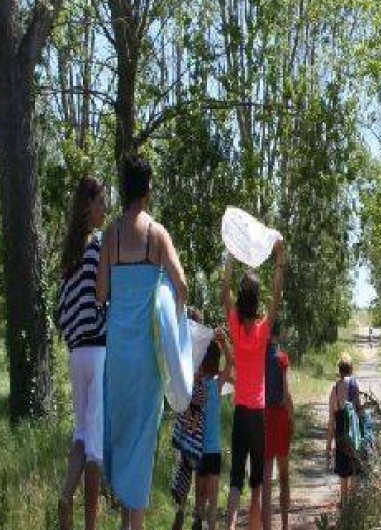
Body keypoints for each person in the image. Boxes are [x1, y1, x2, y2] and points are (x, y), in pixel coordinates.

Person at [96, 155, 188, 530]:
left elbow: (101, 293)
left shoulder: (110, 236)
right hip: (148, 360)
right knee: (141, 447)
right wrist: (167, 303)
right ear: (147, 188)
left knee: (120, 441)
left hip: (118, 356)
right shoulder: (157, 235)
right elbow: (182, 286)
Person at [220, 239, 285, 530]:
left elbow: (224, 292)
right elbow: (277, 296)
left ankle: (229, 526)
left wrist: (231, 259)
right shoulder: (262, 330)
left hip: (240, 414)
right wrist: (279, 258)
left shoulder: (234, 324)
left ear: (241, 301)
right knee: (257, 484)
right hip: (258, 414)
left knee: (236, 481)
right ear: (257, 300)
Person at [57, 175, 107, 530]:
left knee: (80, 434)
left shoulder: (69, 258)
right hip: (98, 351)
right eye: (102, 201)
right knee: (96, 447)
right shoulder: (98, 248)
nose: (105, 208)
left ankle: (65, 495)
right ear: (89, 206)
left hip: (75, 354)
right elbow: (106, 297)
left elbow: (62, 313)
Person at [172, 308, 233, 530]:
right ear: (215, 364)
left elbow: (191, 419)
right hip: (214, 449)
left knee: (199, 489)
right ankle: (209, 523)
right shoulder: (216, 386)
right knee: (213, 494)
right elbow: (231, 363)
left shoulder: (195, 386)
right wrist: (223, 341)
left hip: (198, 449)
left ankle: (196, 516)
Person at [262, 322, 295, 530]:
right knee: (284, 475)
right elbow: (286, 393)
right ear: (278, 334)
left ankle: (267, 526)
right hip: (280, 415)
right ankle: (284, 524)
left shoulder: (259, 357)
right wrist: (292, 418)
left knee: (266, 478)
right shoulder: (281, 358)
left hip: (263, 416)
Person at [326, 354, 363, 505]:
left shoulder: (334, 391)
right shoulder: (354, 386)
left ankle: (345, 510)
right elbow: (359, 412)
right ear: (351, 369)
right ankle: (352, 512)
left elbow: (331, 421)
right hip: (354, 436)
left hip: (341, 435)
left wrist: (328, 447)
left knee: (343, 477)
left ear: (339, 371)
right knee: (354, 472)